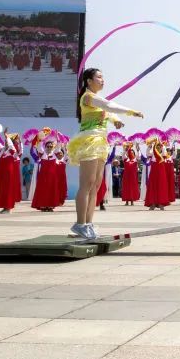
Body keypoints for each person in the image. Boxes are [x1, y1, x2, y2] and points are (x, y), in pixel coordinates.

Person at [66, 68, 143, 239]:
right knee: (87, 184)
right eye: (99, 77)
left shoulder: (96, 99)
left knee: (96, 185)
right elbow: (108, 106)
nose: (102, 80)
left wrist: (117, 120)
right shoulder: (87, 97)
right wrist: (131, 112)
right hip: (89, 140)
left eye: (103, 77)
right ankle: (80, 224)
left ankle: (88, 223)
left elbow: (108, 112)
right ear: (89, 81)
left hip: (101, 141)